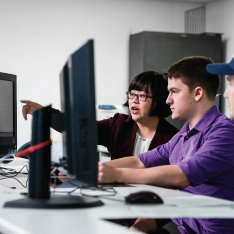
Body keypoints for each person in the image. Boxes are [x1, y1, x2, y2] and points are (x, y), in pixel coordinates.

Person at [98, 56, 234, 234]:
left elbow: (182, 175)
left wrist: (115, 174)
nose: (168, 100)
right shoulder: (183, 134)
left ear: (197, 93)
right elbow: (141, 161)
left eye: (174, 91)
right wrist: (97, 171)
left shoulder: (225, 132)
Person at [21, 71, 178, 160]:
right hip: (116, 198)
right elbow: (78, 128)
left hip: (151, 206)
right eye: (131, 94)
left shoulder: (174, 138)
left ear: (157, 100)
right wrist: (44, 113)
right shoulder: (118, 124)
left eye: (142, 96)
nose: (134, 101)